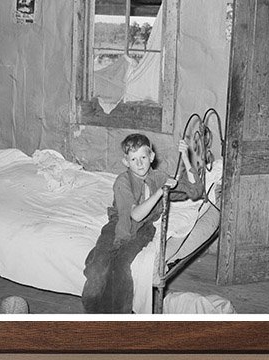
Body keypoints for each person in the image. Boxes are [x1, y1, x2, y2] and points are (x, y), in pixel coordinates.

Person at [81, 132, 204, 313]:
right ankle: (92, 313)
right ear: (126, 162)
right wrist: (160, 192)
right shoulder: (122, 182)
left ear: (151, 157)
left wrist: (185, 157)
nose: (139, 164)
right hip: (118, 225)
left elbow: (195, 191)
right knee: (97, 268)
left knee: (121, 266)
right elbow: (135, 215)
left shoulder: (158, 177)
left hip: (144, 230)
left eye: (143, 158)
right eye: (133, 159)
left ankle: (119, 316)